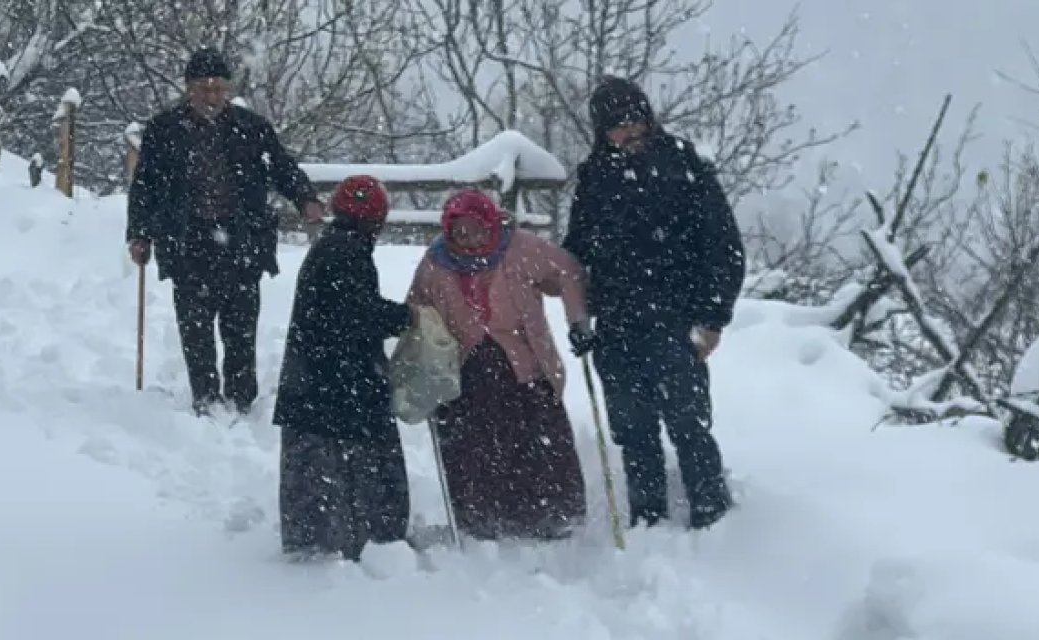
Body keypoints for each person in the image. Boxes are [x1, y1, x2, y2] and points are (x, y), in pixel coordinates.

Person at [562, 75, 746, 530]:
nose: (627, 134)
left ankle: (713, 515)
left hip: (675, 318)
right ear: (602, 131)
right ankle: (648, 519)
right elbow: (577, 250)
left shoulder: (685, 164)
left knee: (688, 423)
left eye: (634, 122)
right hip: (618, 322)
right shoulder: (595, 173)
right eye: (615, 128)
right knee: (633, 429)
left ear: (648, 119)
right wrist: (578, 314)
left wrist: (713, 318)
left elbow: (724, 246)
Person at [125, 47, 325, 417]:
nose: (212, 96)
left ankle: (241, 396)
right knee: (195, 328)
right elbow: (145, 187)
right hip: (187, 241)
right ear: (189, 90)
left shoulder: (251, 128)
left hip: (241, 241)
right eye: (204, 88)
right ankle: (205, 395)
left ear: (229, 90)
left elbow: (282, 168)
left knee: (241, 327)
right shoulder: (164, 131)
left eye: (219, 88)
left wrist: (306, 199)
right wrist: (139, 234)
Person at [406, 189, 592, 541]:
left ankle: (550, 516)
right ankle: (482, 520)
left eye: (476, 229)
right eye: (458, 231)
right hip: (465, 368)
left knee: (536, 441)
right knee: (474, 444)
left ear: (491, 224)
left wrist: (578, 322)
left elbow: (568, 272)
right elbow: (416, 308)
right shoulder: (435, 262)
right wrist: (422, 354)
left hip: (525, 364)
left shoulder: (519, 247)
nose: (468, 239)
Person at [273, 175, 416, 562]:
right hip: (340, 382)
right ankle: (364, 537)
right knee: (359, 461)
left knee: (318, 465)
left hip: (314, 378)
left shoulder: (333, 245)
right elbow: (356, 314)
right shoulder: (348, 251)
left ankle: (322, 533)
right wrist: (407, 316)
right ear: (378, 220)